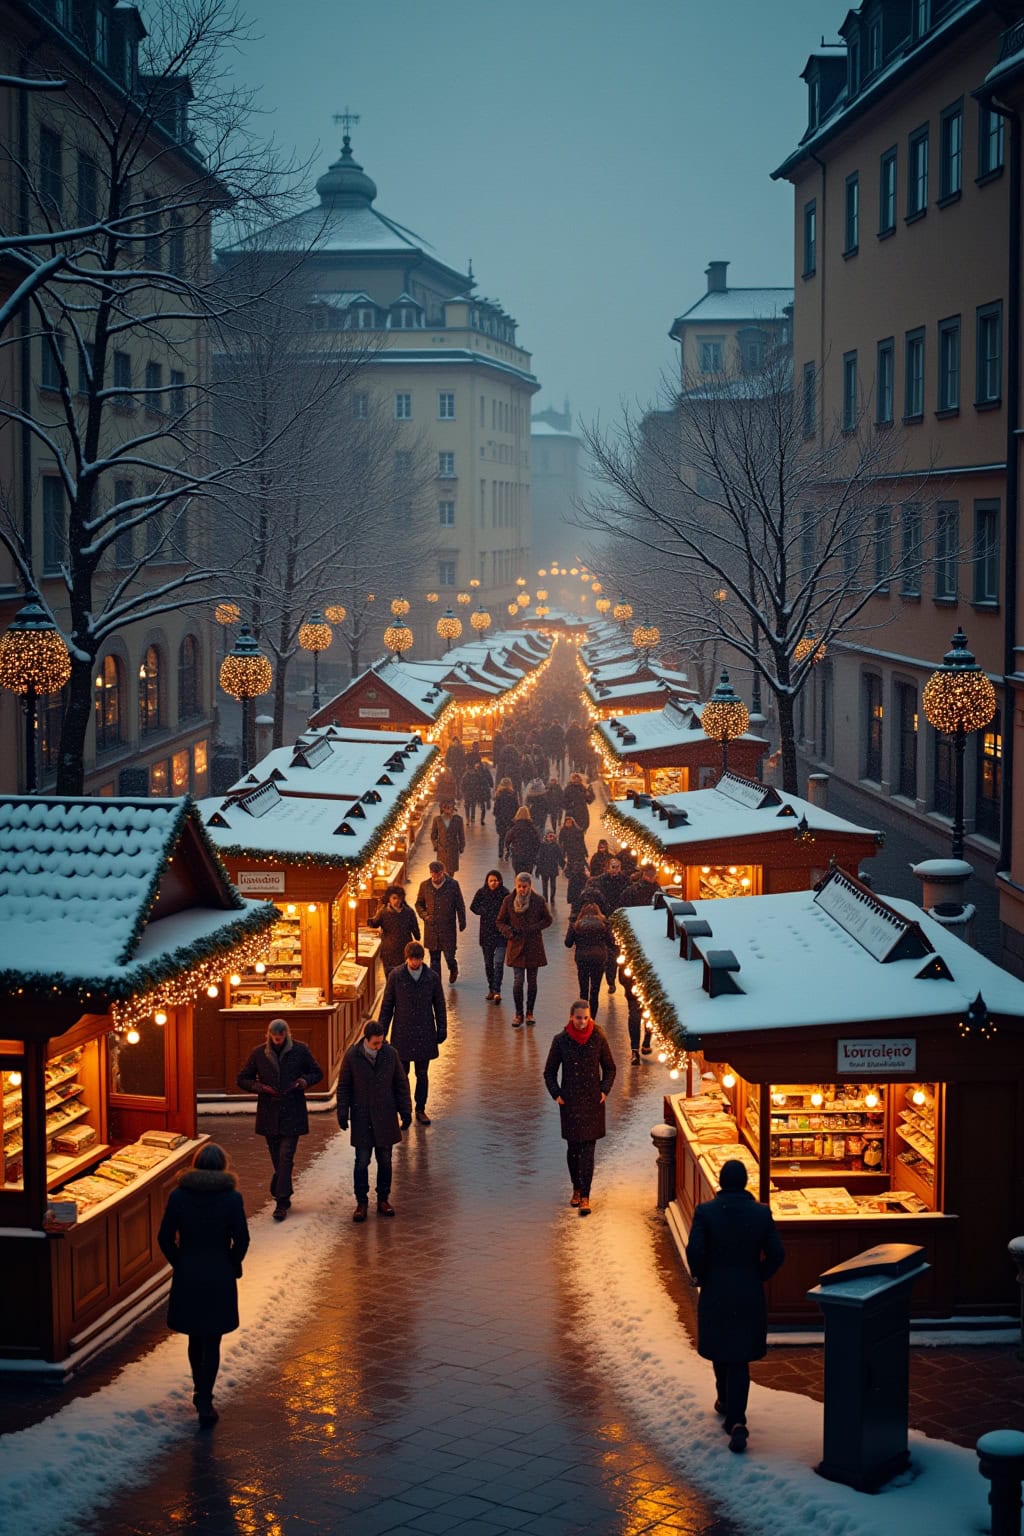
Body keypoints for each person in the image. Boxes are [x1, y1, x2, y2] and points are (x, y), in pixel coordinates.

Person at [686, 1159, 785, 1454]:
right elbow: (778, 1253)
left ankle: (724, 1400)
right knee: (740, 1356)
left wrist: (702, 1275)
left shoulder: (706, 1212)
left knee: (720, 1347)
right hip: (747, 1291)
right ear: (744, 1183)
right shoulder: (760, 1213)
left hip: (716, 1289)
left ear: (721, 1181)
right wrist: (758, 1275)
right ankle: (737, 1418)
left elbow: (695, 1250)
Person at [158, 1143, 249, 1426]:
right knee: (213, 1337)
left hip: (189, 1273)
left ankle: (199, 1388)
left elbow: (164, 1237)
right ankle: (206, 1398)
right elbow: (242, 1239)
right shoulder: (231, 1198)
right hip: (218, 1272)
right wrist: (232, 1263)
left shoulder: (179, 1196)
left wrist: (180, 1262)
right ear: (223, 1166)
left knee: (195, 1336)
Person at [236, 1019, 323, 1221]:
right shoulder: (259, 1054)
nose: (277, 1041)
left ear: (286, 1035)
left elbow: (317, 1073)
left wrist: (303, 1082)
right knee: (279, 1159)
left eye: (280, 1038)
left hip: (292, 1111)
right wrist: (260, 1087)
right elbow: (242, 1079)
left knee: (285, 1156)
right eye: (274, 1038)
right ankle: (283, 1188)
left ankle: (281, 1201)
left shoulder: (300, 1051)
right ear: (269, 1035)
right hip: (270, 1114)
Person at [543, 1000, 617, 1217]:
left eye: (585, 1017)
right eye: (578, 1018)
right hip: (571, 1102)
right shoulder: (561, 1041)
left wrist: (604, 1090)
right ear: (571, 1018)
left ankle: (585, 1195)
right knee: (574, 1149)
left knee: (588, 1150)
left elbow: (610, 1068)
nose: (582, 1022)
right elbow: (549, 1071)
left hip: (593, 1102)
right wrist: (557, 1094)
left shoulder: (598, 1038)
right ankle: (576, 1186)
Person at [337, 1017, 412, 1220]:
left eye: (381, 1042)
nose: (379, 1046)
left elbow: (400, 1084)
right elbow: (344, 1086)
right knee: (362, 1161)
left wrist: (406, 1111)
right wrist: (342, 1112)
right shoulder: (353, 1056)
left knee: (385, 1160)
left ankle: (383, 1198)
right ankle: (361, 1202)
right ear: (366, 1040)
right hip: (362, 1116)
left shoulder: (390, 1054)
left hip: (385, 1115)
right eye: (375, 1043)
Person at [378, 940, 447, 1125]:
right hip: (402, 1032)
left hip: (424, 1031)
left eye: (417, 959)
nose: (415, 963)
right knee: (402, 1075)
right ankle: (405, 1109)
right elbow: (387, 1006)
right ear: (406, 958)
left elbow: (439, 1004)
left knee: (422, 1074)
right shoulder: (396, 976)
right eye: (412, 959)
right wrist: (381, 1032)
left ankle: (421, 1108)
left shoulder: (431, 977)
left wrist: (442, 1028)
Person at [497, 871, 553, 1026]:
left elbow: (548, 920)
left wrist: (534, 928)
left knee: (532, 981)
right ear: (516, 885)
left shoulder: (538, 901)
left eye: (525, 886)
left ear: (530, 886)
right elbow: (500, 921)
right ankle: (518, 1013)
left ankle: (530, 1012)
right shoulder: (508, 901)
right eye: (519, 886)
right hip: (516, 946)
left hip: (533, 946)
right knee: (518, 981)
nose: (522, 889)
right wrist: (509, 932)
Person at [415, 860, 467, 981]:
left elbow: (460, 904)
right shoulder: (425, 886)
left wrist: (462, 921)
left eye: (438, 874)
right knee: (434, 960)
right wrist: (424, 915)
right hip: (431, 928)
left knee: (449, 956)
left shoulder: (453, 885)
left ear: (443, 873)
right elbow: (419, 904)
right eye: (433, 874)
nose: (435, 877)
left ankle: (453, 967)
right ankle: (436, 985)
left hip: (447, 928)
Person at [564, 901, 612, 1019]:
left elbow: (568, 943)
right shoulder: (604, 925)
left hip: (582, 960)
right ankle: (592, 1019)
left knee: (583, 991)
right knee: (595, 992)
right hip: (599, 960)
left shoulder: (576, 925)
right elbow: (611, 942)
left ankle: (583, 1016)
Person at [470, 868, 509, 1002]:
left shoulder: (505, 894)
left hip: (501, 934)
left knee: (498, 963)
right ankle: (491, 988)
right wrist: (483, 911)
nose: (493, 883)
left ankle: (497, 990)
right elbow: (473, 906)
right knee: (488, 963)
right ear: (487, 881)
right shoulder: (481, 893)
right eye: (491, 881)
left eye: (496, 881)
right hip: (486, 934)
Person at [365, 884, 420, 975]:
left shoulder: (408, 912)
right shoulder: (384, 912)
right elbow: (374, 923)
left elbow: (417, 934)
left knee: (402, 979)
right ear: (389, 898)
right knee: (392, 979)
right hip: (389, 953)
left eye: (399, 898)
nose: (397, 901)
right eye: (394, 898)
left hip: (403, 952)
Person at [430, 799, 466, 876]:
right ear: (442, 808)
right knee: (441, 871)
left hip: (453, 850)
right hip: (442, 851)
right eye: (445, 808)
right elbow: (433, 836)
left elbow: (461, 835)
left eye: (450, 807)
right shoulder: (437, 820)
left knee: (451, 872)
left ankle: (450, 887)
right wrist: (436, 846)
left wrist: (461, 847)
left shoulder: (458, 820)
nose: (448, 809)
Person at [504, 804, 541, 874]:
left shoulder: (515, 828)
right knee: (528, 876)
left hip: (517, 855)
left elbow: (507, 839)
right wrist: (535, 853)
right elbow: (538, 842)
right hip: (529, 856)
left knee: (518, 875)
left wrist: (508, 849)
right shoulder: (532, 829)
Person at [534, 828, 565, 906]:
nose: (550, 838)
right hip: (544, 868)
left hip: (553, 868)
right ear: (546, 837)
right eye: (549, 836)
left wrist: (563, 865)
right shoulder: (542, 845)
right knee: (544, 884)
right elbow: (539, 857)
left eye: (552, 836)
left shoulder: (556, 846)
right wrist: (538, 869)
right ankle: (545, 897)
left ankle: (552, 898)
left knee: (553, 884)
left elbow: (560, 857)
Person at [493, 776, 520, 863]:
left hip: (501, 821)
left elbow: (495, 810)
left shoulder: (499, 796)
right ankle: (508, 851)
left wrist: (499, 816)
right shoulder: (513, 795)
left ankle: (500, 852)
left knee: (501, 837)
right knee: (510, 837)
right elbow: (517, 808)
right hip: (511, 821)